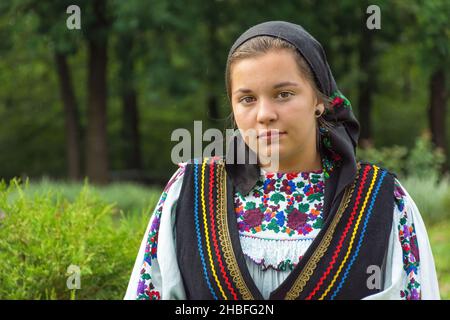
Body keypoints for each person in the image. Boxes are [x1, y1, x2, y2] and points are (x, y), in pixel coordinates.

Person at [124, 21, 440, 300]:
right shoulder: (190, 191)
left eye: (283, 94)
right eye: (247, 99)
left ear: (318, 100)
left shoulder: (381, 200)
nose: (264, 115)